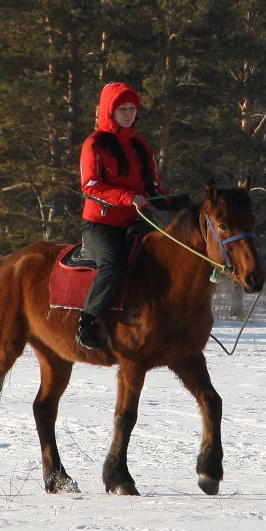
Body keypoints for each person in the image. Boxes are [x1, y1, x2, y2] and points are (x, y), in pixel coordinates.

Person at [75, 82, 188, 351]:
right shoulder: (94, 144)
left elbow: (153, 188)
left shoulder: (141, 146)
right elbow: (90, 186)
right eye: (121, 108)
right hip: (100, 225)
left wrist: (172, 202)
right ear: (108, 111)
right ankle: (87, 322)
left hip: (137, 222)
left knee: (164, 262)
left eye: (132, 108)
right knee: (114, 265)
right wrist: (127, 197)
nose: (128, 113)